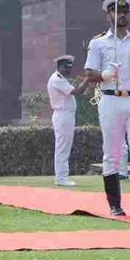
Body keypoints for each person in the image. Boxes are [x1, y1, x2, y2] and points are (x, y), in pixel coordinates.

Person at [83, 0, 130, 216]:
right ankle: (115, 204)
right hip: (110, 99)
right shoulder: (98, 43)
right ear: (109, 14)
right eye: (116, 11)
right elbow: (89, 73)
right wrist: (105, 74)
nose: (121, 15)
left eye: (124, 11)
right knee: (112, 153)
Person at [47, 55, 90, 186]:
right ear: (59, 67)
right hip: (62, 115)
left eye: (70, 67)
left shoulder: (61, 78)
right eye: (66, 67)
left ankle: (62, 177)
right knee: (62, 147)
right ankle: (61, 178)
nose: (69, 70)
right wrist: (88, 79)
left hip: (66, 115)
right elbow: (77, 92)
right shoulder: (57, 79)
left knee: (64, 146)